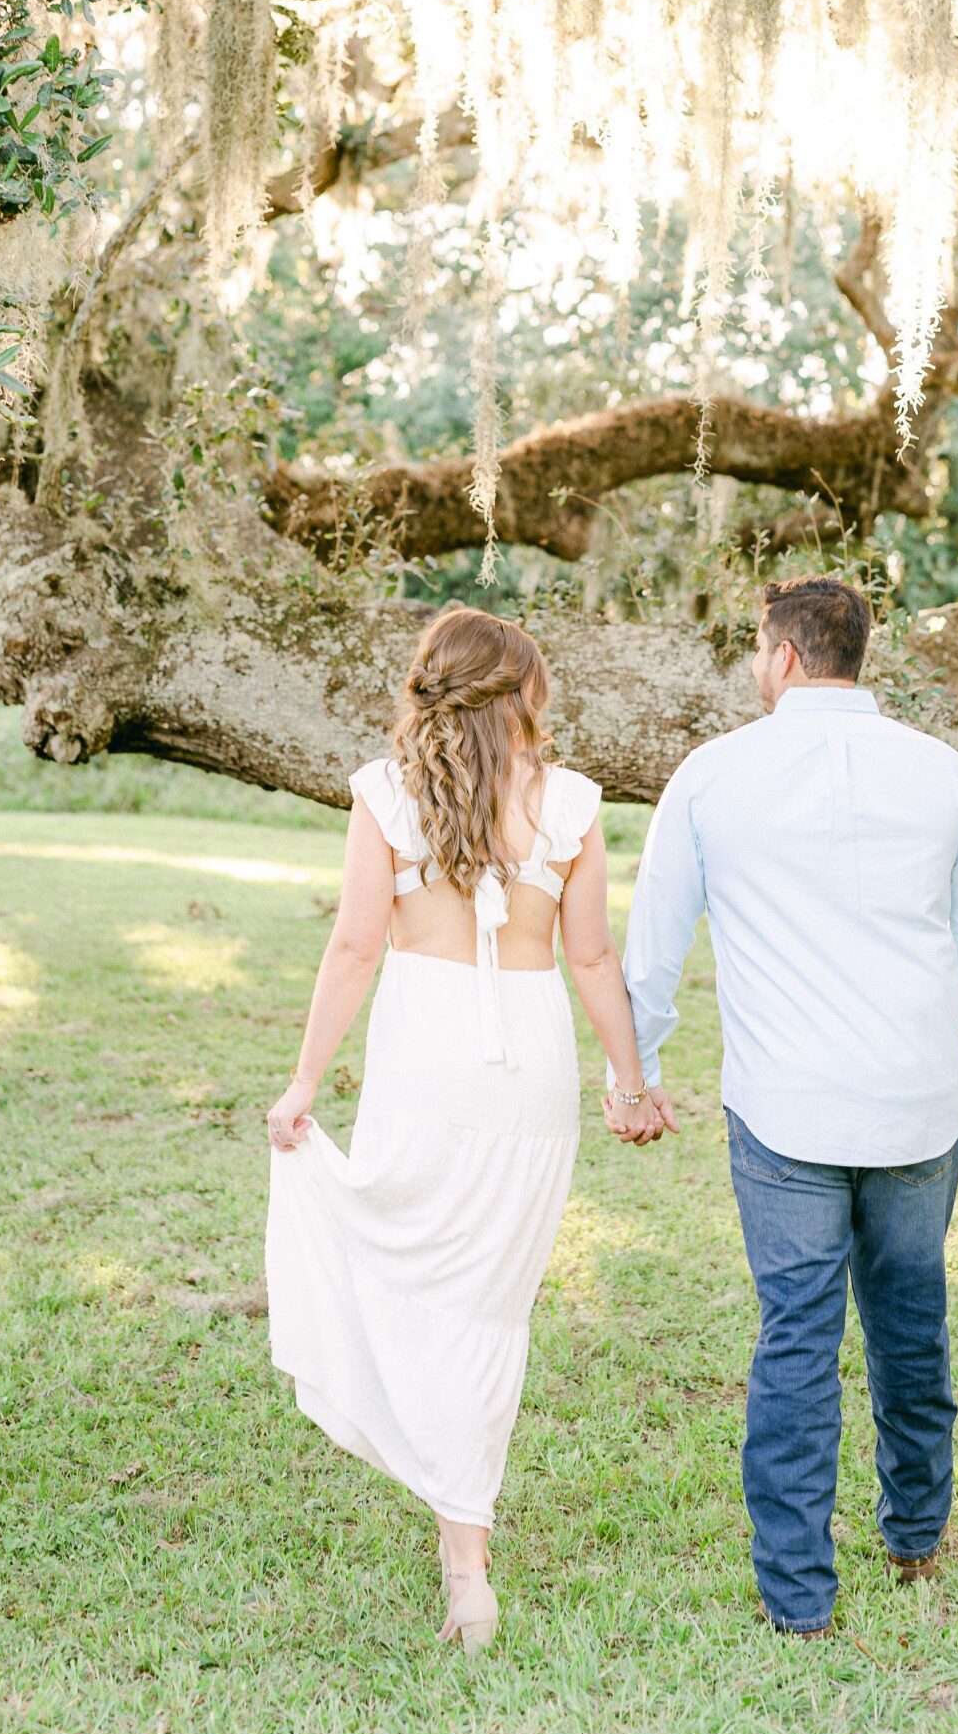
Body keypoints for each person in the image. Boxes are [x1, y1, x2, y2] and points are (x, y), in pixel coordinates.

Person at [612, 574, 958, 1637]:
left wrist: (634, 1074)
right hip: (916, 1101)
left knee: (794, 1339)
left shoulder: (712, 775)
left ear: (784, 655)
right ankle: (916, 1535)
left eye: (757, 650)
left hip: (784, 1107)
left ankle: (798, 1597)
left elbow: (652, 945)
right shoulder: (941, 772)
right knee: (910, 1316)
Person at [265, 605, 662, 1655]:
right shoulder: (570, 802)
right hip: (530, 1070)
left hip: (422, 1056)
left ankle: (462, 1551)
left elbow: (355, 945)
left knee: (412, 1279)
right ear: (523, 692)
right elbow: (590, 957)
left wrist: (304, 1082)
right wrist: (629, 1083)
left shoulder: (384, 792)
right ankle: (465, 1560)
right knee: (489, 1308)